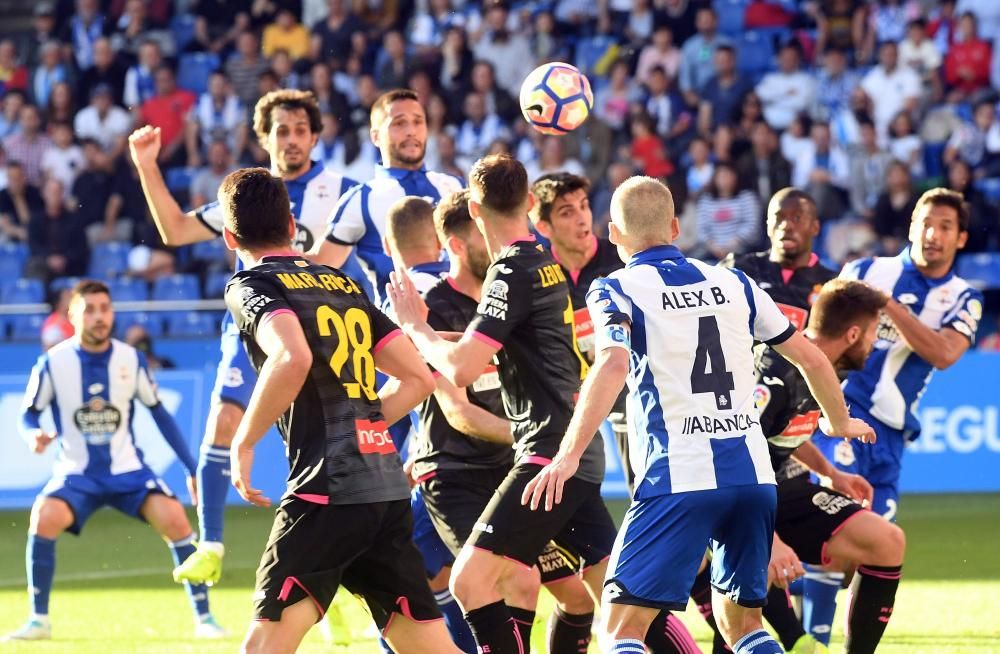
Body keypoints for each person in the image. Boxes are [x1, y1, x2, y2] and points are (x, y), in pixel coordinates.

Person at [520, 176, 875, 653]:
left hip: (679, 476)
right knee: (745, 627)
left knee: (621, 629)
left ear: (614, 235)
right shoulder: (734, 282)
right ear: (674, 227)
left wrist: (566, 456)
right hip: (752, 477)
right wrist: (839, 420)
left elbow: (612, 363)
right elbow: (810, 356)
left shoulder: (614, 288)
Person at [216, 167, 459, 654]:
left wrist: (242, 441)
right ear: (292, 224)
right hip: (384, 490)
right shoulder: (341, 283)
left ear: (228, 236)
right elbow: (417, 378)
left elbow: (291, 356)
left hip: (326, 492)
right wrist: (367, 426)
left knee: (263, 648)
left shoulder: (250, 286)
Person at [128, 88, 361, 586]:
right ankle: (210, 545)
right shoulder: (247, 196)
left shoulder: (343, 190)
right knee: (222, 422)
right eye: (281, 130)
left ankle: (337, 579)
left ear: (316, 137)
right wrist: (147, 164)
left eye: (301, 130)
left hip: (321, 330)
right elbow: (174, 230)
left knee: (334, 445)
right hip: (253, 327)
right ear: (263, 137)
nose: (292, 139)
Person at [388, 155, 618, 654]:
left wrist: (414, 328)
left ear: (475, 209)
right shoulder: (547, 264)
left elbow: (462, 368)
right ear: (531, 203)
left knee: (471, 582)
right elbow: (505, 351)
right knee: (613, 598)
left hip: (543, 454)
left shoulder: (510, 269)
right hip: (565, 450)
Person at [4, 280, 224, 642]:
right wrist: (33, 434)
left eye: (104, 308)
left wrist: (190, 467)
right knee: (44, 518)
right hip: (77, 472)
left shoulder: (131, 359)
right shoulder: (53, 363)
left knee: (175, 519)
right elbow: (28, 415)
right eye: (89, 310)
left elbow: (160, 414)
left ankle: (205, 619)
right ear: (73, 316)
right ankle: (38, 619)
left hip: (128, 471)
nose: (99, 317)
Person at [810, 188, 984, 645]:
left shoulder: (963, 297)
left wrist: (888, 306)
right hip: (843, 411)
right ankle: (809, 639)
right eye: (926, 222)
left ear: (961, 239)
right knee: (838, 533)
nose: (933, 234)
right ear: (911, 226)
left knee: (870, 554)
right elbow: (822, 327)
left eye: (945, 227)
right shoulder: (867, 270)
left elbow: (945, 353)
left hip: (891, 437)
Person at [753, 279, 905, 654]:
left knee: (887, 541)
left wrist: (833, 473)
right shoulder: (775, 370)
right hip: (740, 497)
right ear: (853, 333)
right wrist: (768, 539)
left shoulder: (827, 368)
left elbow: (788, 432)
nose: (872, 344)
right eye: (871, 334)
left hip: (781, 486)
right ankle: (797, 642)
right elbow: (735, 451)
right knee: (746, 591)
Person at [311, 88, 464, 301]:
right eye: (399, 123)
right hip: (402, 329)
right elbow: (318, 264)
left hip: (469, 327)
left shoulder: (453, 185)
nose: (411, 130)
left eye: (418, 121)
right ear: (375, 136)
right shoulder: (360, 198)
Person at [722, 188, 837, 331]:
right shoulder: (738, 269)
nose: (786, 226)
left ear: (815, 227)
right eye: (778, 218)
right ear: (768, 225)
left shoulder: (832, 286)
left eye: (797, 218)